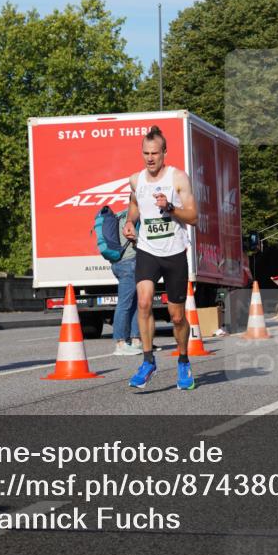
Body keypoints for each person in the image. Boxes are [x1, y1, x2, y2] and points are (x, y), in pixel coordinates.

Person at [122, 126, 199, 390]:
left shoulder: (178, 178)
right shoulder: (136, 180)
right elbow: (134, 205)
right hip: (147, 251)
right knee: (143, 301)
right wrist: (130, 223)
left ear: (165, 152)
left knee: (177, 316)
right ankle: (147, 360)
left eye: (155, 153)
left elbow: (193, 217)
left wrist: (170, 207)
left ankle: (183, 360)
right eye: (146, 153)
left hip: (175, 252)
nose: (150, 158)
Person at [112, 209, 143, 356]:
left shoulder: (118, 216)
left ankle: (136, 341)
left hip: (118, 263)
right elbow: (136, 238)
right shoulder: (132, 219)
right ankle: (120, 343)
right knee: (125, 304)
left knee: (135, 301)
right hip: (129, 262)